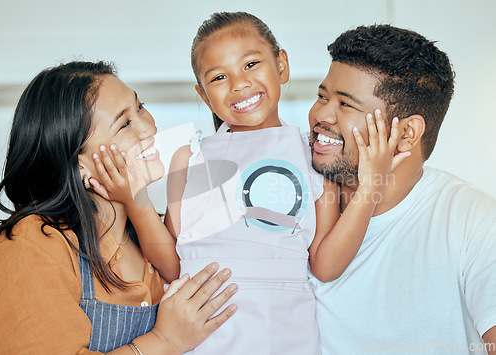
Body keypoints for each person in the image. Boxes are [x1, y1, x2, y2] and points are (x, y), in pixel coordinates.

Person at [90, 12, 408, 354]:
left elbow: (325, 265)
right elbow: (171, 267)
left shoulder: (312, 157)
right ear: (203, 94)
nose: (239, 84)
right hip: (205, 331)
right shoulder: (191, 158)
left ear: (281, 65)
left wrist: (370, 185)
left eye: (251, 64)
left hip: (286, 332)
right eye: (219, 77)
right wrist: (134, 201)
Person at [0, 61, 239, 354]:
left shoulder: (154, 237)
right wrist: (165, 341)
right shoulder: (31, 245)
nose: (150, 127)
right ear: (79, 164)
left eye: (140, 106)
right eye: (124, 123)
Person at [307, 24, 496, 354]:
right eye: (322, 96)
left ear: (407, 133)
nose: (322, 114)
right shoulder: (295, 203)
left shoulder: (473, 222)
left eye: (346, 105)